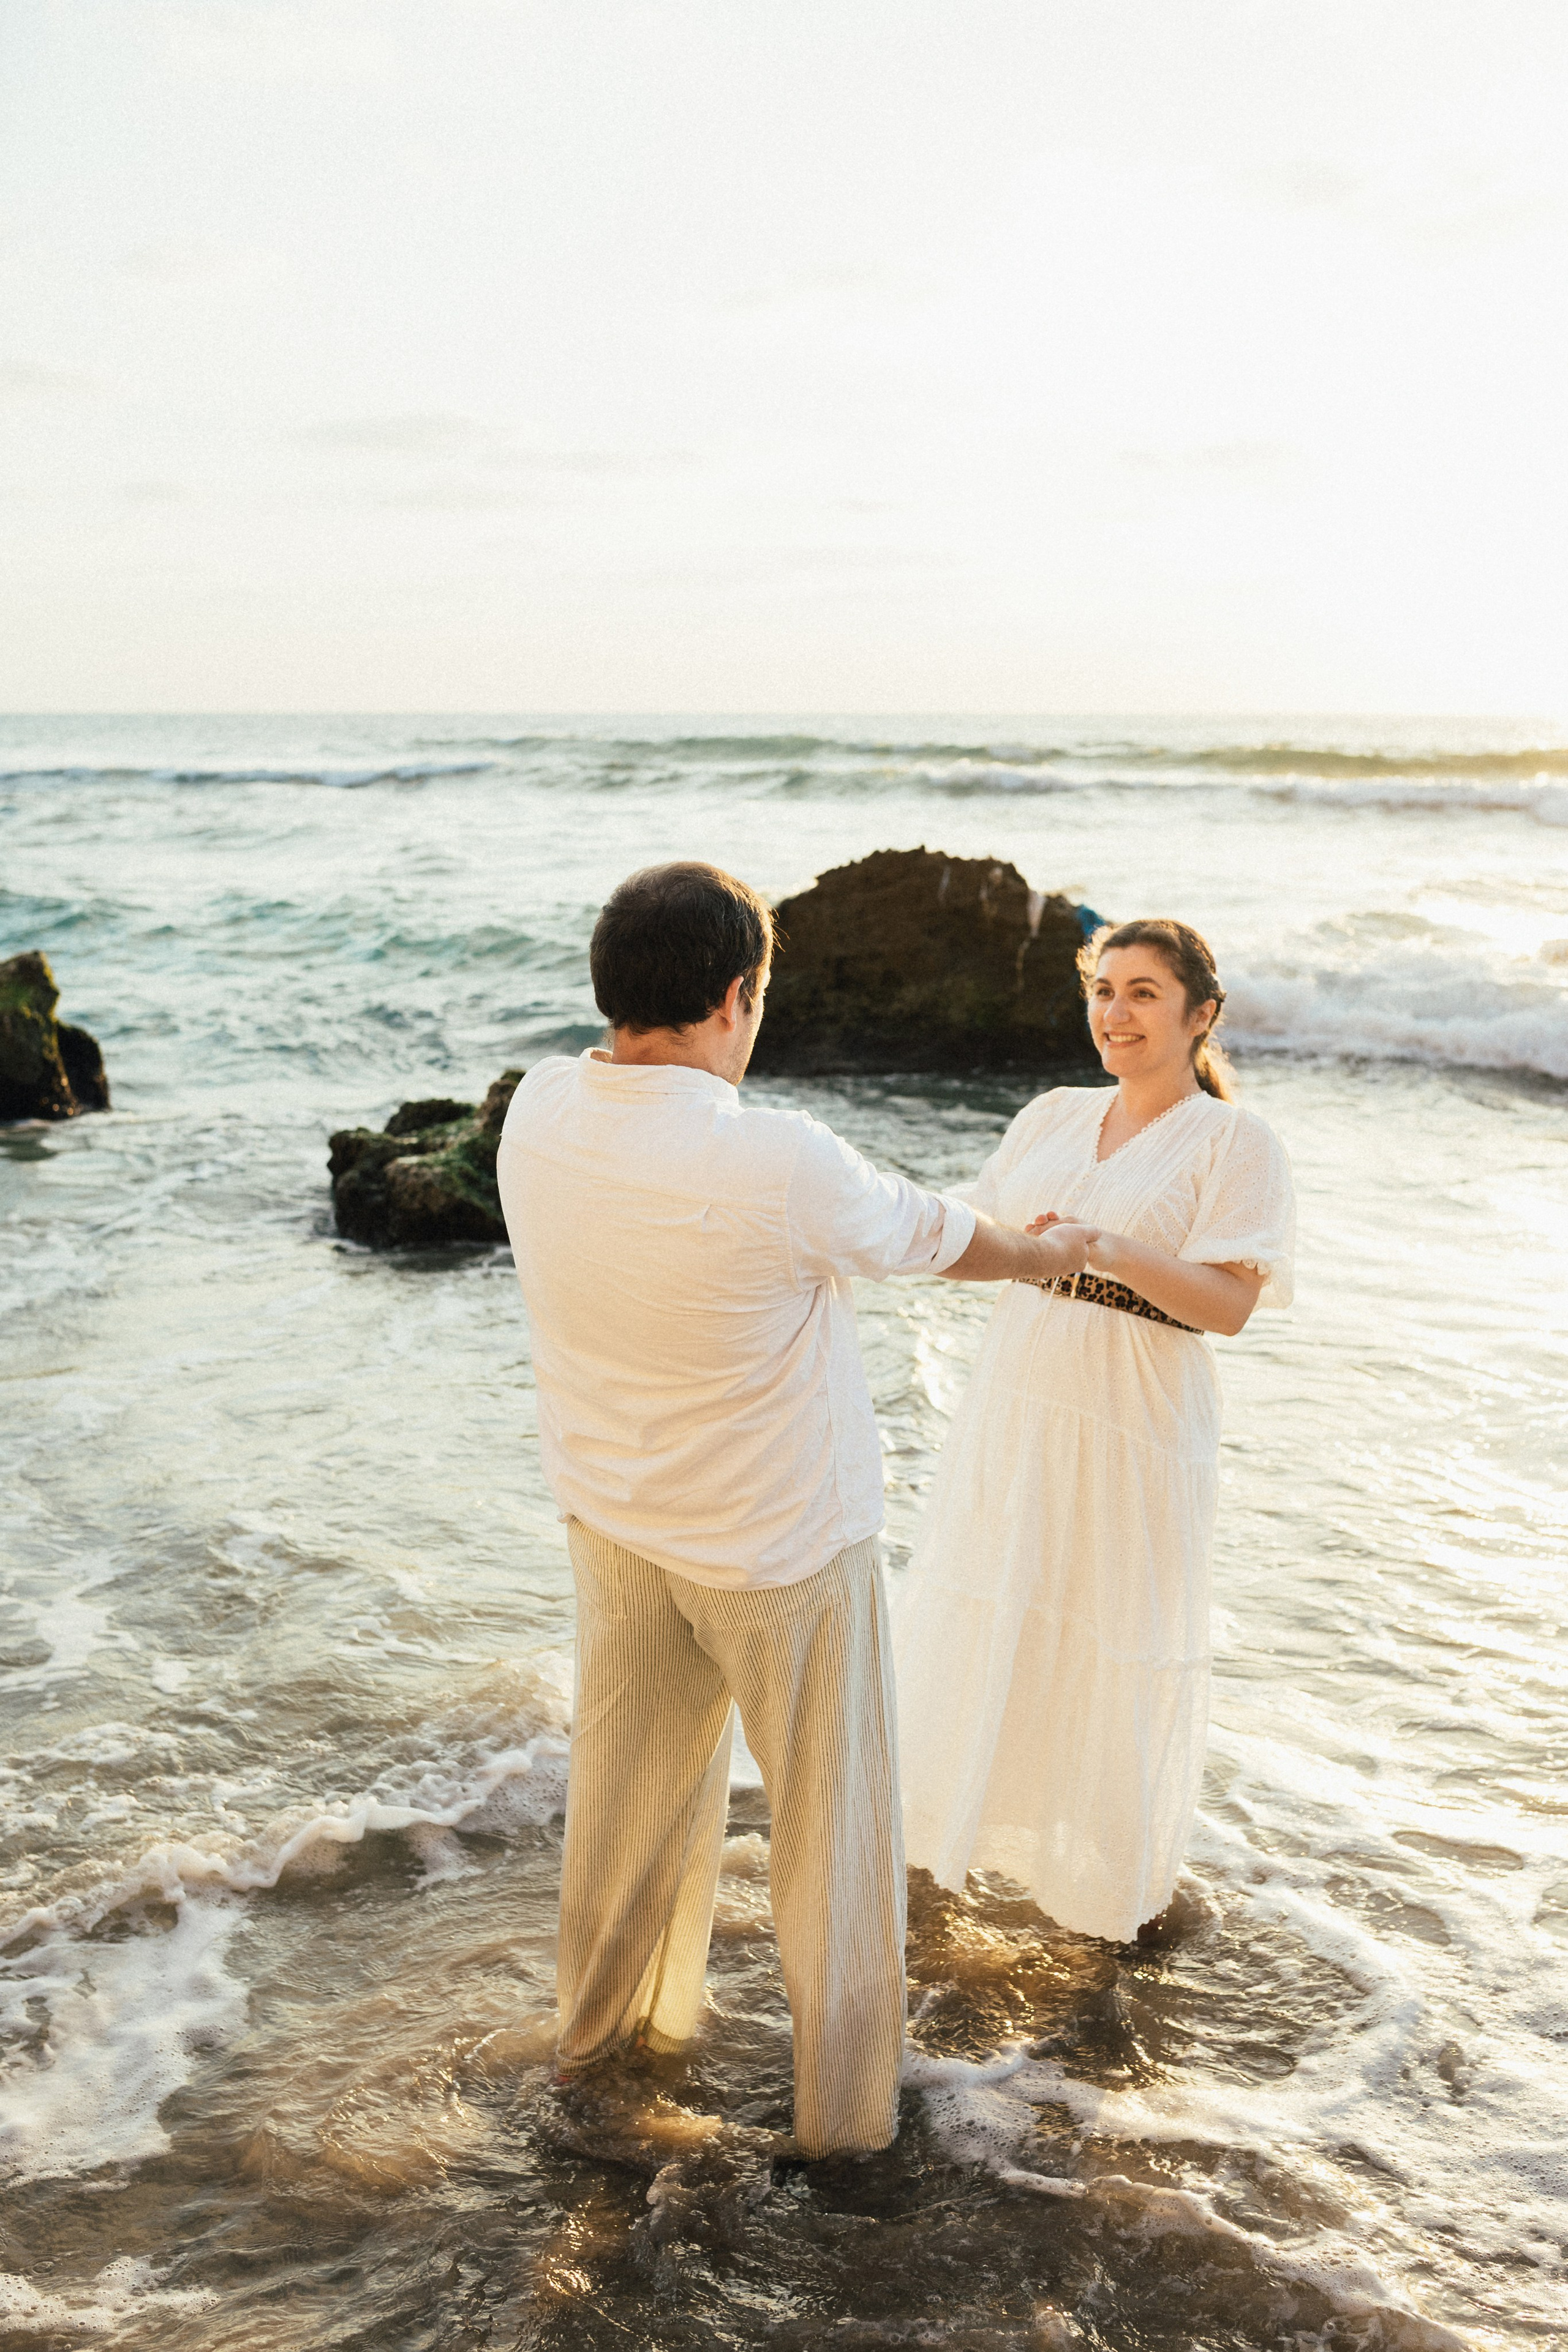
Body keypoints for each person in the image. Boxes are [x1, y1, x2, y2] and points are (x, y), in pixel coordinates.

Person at [496, 861, 1097, 2157]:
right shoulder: (769, 1158)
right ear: (734, 997)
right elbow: (938, 1237)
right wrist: (1046, 1249)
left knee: (624, 1818)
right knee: (830, 1847)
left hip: (614, 1527)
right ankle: (844, 2132)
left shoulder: (538, 1107)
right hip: (778, 1551)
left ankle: (599, 2055)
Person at [895, 918, 1295, 1945]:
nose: (1116, 1014)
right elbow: (974, 1235)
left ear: (1200, 1014)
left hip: (1137, 1414)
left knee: (1115, 1630)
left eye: (1145, 994)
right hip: (1021, 1396)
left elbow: (1228, 1306)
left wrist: (1109, 1246)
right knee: (997, 1602)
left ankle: (1105, 1901)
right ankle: (945, 1859)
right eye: (1105, 990)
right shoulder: (1051, 1114)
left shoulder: (1233, 1141)